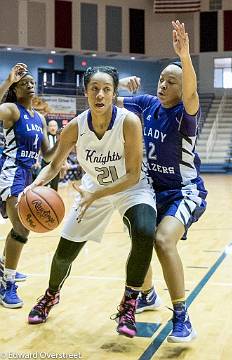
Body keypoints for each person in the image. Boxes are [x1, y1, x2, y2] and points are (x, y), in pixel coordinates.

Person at [25, 66, 157, 338]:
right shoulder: (75, 126)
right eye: (94, 89)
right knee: (64, 251)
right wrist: (37, 183)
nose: (100, 94)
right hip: (92, 188)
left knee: (145, 231)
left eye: (107, 89)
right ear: (85, 92)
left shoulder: (129, 121)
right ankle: (51, 295)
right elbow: (53, 166)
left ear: (114, 93)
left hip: (130, 187)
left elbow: (133, 175)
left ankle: (130, 303)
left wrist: (97, 195)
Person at [117, 21, 208, 342]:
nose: (163, 85)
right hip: (150, 190)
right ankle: (148, 295)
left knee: (163, 240)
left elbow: (192, 91)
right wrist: (116, 84)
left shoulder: (186, 111)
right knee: (141, 238)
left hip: (184, 192)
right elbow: (105, 104)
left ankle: (182, 317)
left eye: (172, 82)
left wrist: (184, 56)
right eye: (162, 80)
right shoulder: (145, 104)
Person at [0, 63, 58, 308]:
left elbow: (47, 155)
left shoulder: (40, 118)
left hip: (28, 176)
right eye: (24, 83)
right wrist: (7, 81)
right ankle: (7, 283)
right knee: (22, 229)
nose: (31, 86)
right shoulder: (12, 110)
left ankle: (5, 268)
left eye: (33, 83)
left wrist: (65, 142)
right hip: (10, 171)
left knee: (21, 228)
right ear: (16, 89)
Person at [41, 120, 60, 191]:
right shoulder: (45, 137)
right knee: (43, 182)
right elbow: (40, 150)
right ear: (48, 127)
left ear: (57, 127)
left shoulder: (60, 137)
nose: (53, 127)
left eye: (54, 126)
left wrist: (65, 162)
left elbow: (63, 150)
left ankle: (53, 200)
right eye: (51, 126)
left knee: (55, 184)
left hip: (56, 162)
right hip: (45, 162)